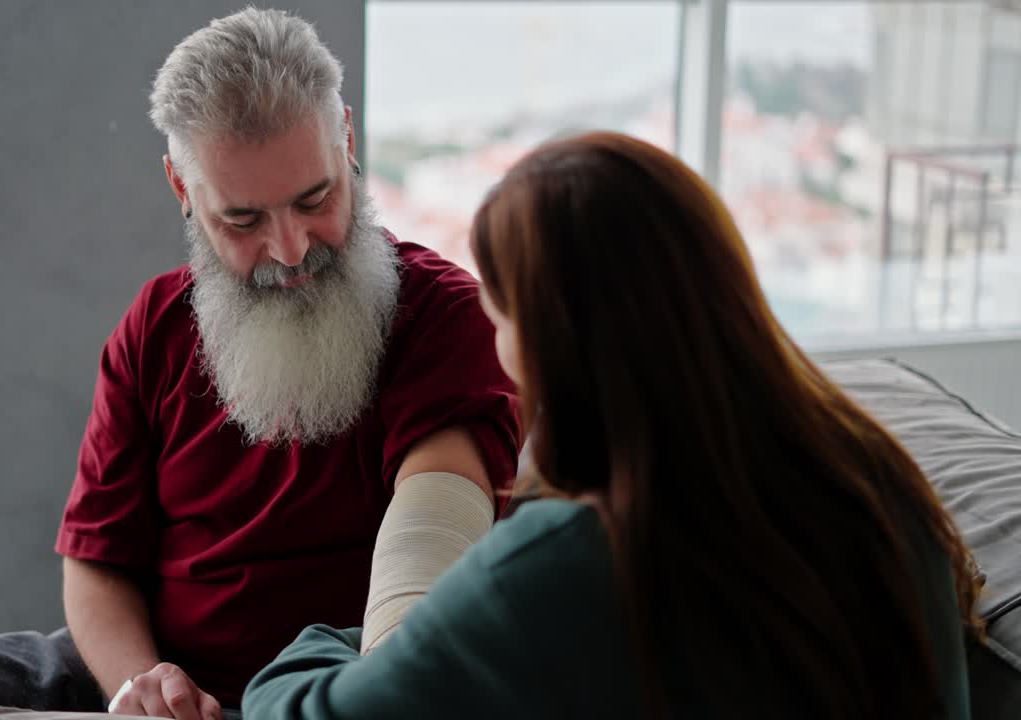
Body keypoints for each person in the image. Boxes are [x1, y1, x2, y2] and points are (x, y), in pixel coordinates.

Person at [0, 9, 518, 720]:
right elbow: (99, 562)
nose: (292, 249)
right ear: (182, 189)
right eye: (243, 220)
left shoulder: (443, 315)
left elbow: (433, 533)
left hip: (338, 687)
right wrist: (138, 688)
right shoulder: (154, 327)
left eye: (316, 197)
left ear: (347, 139)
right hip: (146, 674)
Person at [241, 131, 982, 720]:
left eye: (501, 315)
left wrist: (333, 646)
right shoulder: (875, 481)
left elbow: (309, 714)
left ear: (550, 342)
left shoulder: (581, 556)